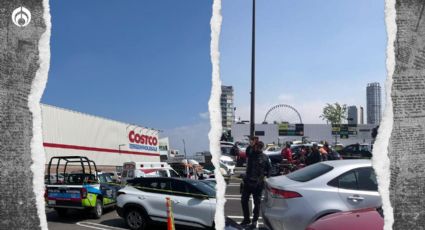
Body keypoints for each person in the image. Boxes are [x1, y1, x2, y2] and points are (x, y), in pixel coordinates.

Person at [241, 141, 271, 227]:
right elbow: (247, 152)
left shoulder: (265, 157)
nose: (255, 148)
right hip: (247, 182)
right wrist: (251, 145)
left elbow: (269, 169)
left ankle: (254, 220)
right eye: (255, 146)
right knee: (244, 200)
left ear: (260, 148)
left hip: (258, 184)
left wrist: (266, 178)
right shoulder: (251, 154)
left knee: (257, 203)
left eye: (257, 147)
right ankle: (246, 219)